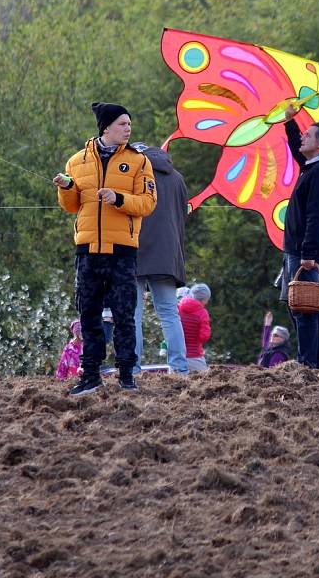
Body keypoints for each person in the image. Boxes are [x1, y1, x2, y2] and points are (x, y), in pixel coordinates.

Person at [53, 102, 157, 396]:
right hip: (87, 250)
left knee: (125, 314)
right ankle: (91, 375)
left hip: (122, 249)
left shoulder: (139, 162)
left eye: (129, 124)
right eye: (123, 124)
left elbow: (148, 203)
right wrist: (65, 187)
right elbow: (71, 206)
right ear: (106, 127)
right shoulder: (77, 161)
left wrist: (118, 198)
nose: (128, 128)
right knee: (89, 313)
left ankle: (127, 375)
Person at [280, 105, 319, 368]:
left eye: (308, 134)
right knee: (308, 307)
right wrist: (290, 122)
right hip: (301, 248)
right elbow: (297, 150)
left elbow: (316, 216)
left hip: (306, 251)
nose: (303, 137)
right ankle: (314, 363)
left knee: (305, 307)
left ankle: (308, 364)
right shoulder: (315, 166)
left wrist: (308, 253)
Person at [131, 144, 189, 375]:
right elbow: (183, 216)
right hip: (168, 253)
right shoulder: (177, 178)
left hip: (135, 248)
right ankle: (180, 370)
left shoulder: (135, 173)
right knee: (169, 312)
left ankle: (132, 369)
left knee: (132, 314)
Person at [178, 283, 211, 372]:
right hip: (195, 356)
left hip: (176, 356)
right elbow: (204, 336)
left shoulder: (178, 308)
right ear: (204, 300)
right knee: (202, 381)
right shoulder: (202, 313)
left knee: (173, 382)